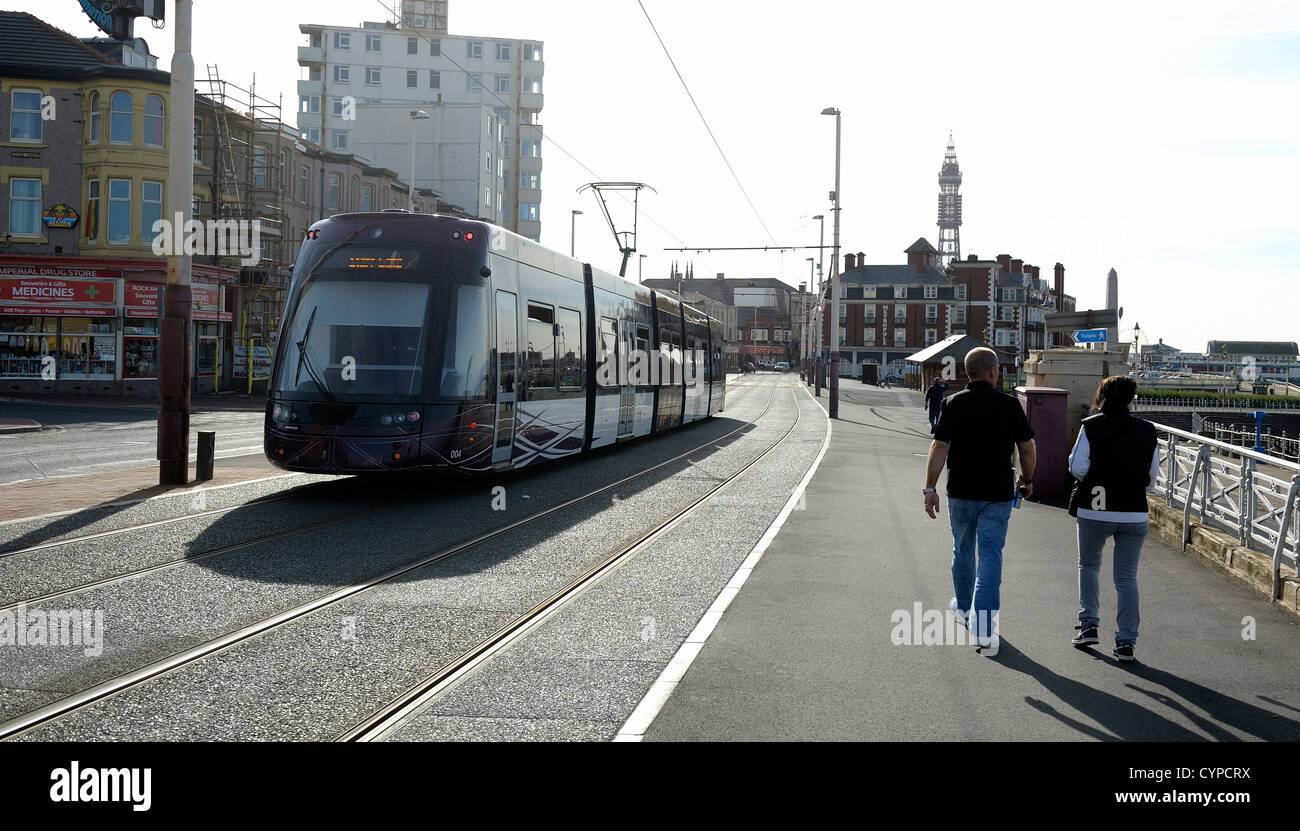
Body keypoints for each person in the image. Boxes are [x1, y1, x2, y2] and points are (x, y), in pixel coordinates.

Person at [923, 348, 1036, 655]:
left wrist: (929, 488)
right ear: (991, 371)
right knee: (989, 557)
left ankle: (962, 608)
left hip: (960, 491)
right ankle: (983, 629)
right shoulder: (1010, 405)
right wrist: (1026, 479)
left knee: (962, 549)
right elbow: (1027, 449)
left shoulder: (952, 403)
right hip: (996, 496)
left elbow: (939, 448)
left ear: (968, 373)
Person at [1067, 375, 1160, 662]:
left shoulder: (1091, 426)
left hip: (1095, 508)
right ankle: (1125, 642)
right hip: (1133, 512)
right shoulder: (1148, 430)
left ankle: (1089, 626)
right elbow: (1152, 481)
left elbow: (1077, 466)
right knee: (1126, 578)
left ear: (1102, 396)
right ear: (1132, 399)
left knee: (1089, 566)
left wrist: (1100, 480)